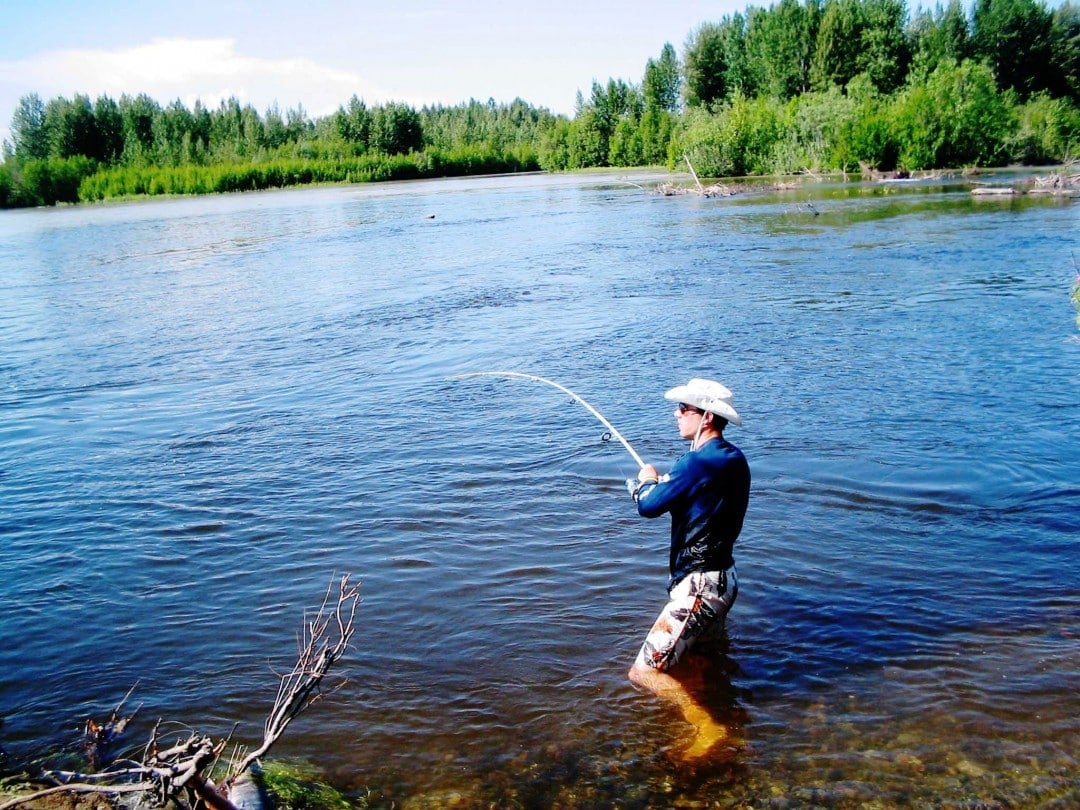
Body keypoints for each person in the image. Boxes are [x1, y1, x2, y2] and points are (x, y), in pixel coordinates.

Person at [625, 377, 750, 759]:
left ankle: (706, 726)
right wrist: (671, 483)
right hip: (725, 579)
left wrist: (645, 482)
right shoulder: (732, 458)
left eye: (685, 409)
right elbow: (701, 498)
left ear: (707, 416)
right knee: (705, 660)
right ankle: (730, 716)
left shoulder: (695, 463)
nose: (677, 414)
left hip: (699, 588)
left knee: (644, 672)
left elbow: (648, 505)